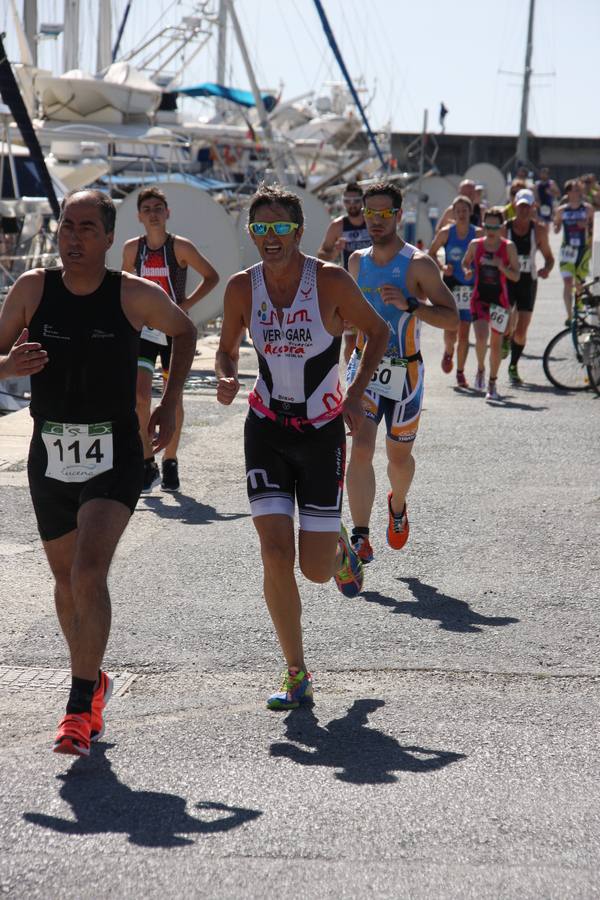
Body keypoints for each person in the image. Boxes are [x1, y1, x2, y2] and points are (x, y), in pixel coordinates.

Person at [0, 189, 197, 756]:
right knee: (66, 583)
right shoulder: (33, 289)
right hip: (50, 454)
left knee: (89, 571)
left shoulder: (134, 294)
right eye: (66, 226)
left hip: (115, 454)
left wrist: (171, 400)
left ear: (111, 238)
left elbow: (183, 332)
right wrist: (8, 366)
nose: (73, 237)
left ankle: (78, 706)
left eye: (87, 228)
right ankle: (92, 678)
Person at [215, 184, 388, 711]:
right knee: (273, 553)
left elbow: (377, 331)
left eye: (280, 228)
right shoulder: (243, 289)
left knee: (312, 570)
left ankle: (335, 550)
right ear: (251, 233)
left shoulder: (330, 281)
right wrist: (225, 376)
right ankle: (296, 672)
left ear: (298, 231)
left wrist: (355, 395)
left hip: (320, 432)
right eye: (260, 228)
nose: (270, 237)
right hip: (266, 427)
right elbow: (225, 351)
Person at [345, 182, 458, 565]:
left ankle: (398, 504)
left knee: (398, 458)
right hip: (365, 369)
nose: (376, 221)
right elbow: (350, 321)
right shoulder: (356, 261)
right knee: (360, 448)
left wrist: (412, 306)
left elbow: (452, 318)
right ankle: (360, 536)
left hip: (406, 375)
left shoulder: (418, 264)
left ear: (398, 215)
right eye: (369, 213)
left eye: (384, 213)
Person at [122, 187, 219, 492]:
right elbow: (123, 285)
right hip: (145, 331)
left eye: (158, 207)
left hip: (175, 330)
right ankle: (147, 461)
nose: (153, 212)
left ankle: (171, 460)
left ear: (167, 213)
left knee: (172, 397)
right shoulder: (132, 249)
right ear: (139, 216)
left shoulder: (180, 247)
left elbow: (212, 276)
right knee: (139, 397)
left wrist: (185, 304)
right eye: (147, 208)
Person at [462, 207, 520, 401]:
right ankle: (480, 369)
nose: (491, 230)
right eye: (488, 226)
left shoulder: (508, 247)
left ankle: (492, 382)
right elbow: (465, 262)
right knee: (480, 338)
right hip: (479, 298)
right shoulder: (475, 245)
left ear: (502, 226)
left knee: (495, 344)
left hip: (500, 301)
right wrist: (467, 271)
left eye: (495, 226)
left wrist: (500, 265)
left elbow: (516, 276)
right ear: (483, 226)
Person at [428, 194, 480, 387]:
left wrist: (476, 269)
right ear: (453, 213)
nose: (461, 214)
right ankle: (449, 351)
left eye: (464, 211)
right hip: (451, 285)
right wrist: (442, 267)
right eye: (457, 211)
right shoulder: (446, 233)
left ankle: (460, 372)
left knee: (465, 332)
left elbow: (487, 254)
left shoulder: (478, 233)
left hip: (469, 285)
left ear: (470, 212)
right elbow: (431, 253)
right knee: (451, 332)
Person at [504, 189, 554, 385]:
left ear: (533, 207)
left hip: (527, 282)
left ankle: (513, 365)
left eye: (528, 206)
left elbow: (549, 258)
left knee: (522, 329)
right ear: (515, 206)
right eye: (521, 205)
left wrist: (546, 269)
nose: (524, 210)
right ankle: (505, 338)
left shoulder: (539, 230)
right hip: (507, 280)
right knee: (507, 323)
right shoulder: (504, 228)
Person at [318, 182, 371, 361]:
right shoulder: (338, 226)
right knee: (351, 342)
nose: (352, 205)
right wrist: (335, 250)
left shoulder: (371, 221)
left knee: (375, 337)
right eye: (347, 200)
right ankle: (352, 379)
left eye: (356, 200)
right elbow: (322, 255)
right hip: (350, 288)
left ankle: (372, 380)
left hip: (374, 284)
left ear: (362, 201)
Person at [554, 180, 594, 323]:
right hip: (567, 250)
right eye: (575, 189)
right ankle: (569, 315)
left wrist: (587, 227)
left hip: (582, 249)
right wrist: (556, 225)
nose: (578, 192)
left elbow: (593, 230)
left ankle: (579, 306)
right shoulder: (562, 210)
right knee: (567, 282)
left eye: (579, 189)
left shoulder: (588, 209)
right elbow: (556, 228)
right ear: (568, 192)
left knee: (579, 283)